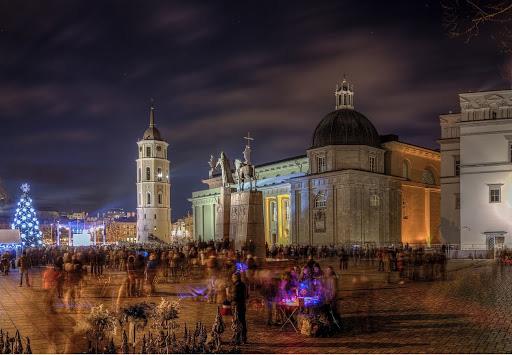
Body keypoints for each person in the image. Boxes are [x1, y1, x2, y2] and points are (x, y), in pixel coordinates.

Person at [228, 273, 248, 344]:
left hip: (236, 307)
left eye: (232, 278)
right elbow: (247, 296)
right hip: (242, 306)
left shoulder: (235, 286)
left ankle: (237, 337)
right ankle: (243, 337)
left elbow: (234, 297)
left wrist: (228, 294)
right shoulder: (244, 285)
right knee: (242, 321)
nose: (232, 279)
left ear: (235, 278)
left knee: (237, 321)